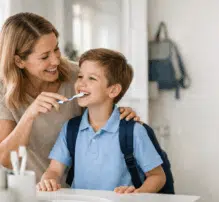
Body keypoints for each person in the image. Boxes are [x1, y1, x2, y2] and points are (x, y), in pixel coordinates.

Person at [0, 12, 139, 183]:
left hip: (81, 189)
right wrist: (29, 115)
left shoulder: (78, 77)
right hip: (33, 190)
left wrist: (120, 114)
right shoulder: (3, 90)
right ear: (19, 61)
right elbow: (6, 159)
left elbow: (103, 114)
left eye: (56, 49)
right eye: (45, 57)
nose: (56, 61)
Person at [37, 48, 166, 193]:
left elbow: (158, 176)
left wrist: (137, 194)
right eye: (80, 76)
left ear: (113, 90)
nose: (81, 83)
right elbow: (54, 170)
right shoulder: (71, 128)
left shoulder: (134, 131)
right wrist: (48, 180)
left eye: (91, 78)